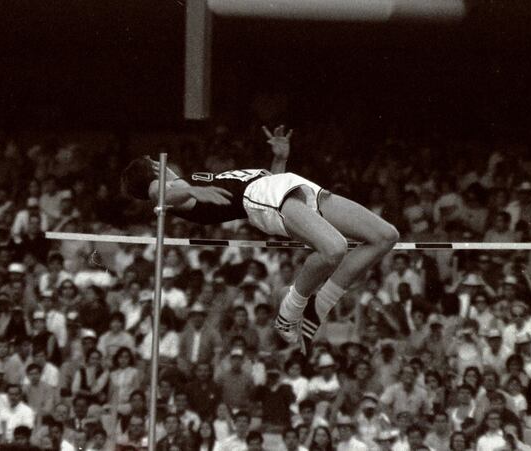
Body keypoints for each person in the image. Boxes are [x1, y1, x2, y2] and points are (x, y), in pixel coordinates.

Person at [121, 126, 399, 352]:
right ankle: (290, 312)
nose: (163, 164)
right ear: (153, 170)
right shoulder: (170, 189)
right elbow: (160, 194)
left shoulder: (185, 182)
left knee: (385, 236)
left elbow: (273, 195)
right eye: (155, 163)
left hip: (284, 186)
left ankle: (318, 305)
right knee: (334, 249)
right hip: (260, 197)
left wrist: (279, 160)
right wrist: (193, 191)